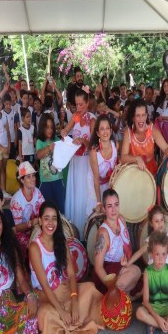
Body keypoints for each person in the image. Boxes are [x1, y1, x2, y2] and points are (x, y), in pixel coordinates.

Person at [29, 201, 103, 334]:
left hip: (64, 291)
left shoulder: (62, 242)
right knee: (45, 314)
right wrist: (61, 310)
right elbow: (44, 285)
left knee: (89, 288)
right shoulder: (35, 248)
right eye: (46, 218)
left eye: (54, 218)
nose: (50, 223)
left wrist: (75, 300)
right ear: (40, 221)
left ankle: (70, 319)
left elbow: (71, 275)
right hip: (45, 296)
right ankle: (68, 320)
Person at [92, 189, 142, 296]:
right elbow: (98, 267)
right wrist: (110, 286)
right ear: (104, 209)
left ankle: (123, 295)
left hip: (122, 267)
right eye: (109, 206)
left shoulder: (121, 220)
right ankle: (116, 294)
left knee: (138, 273)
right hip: (109, 273)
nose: (114, 210)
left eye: (116, 204)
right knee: (135, 274)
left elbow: (127, 246)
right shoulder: (103, 233)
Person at [60, 89, 95, 230]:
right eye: (76, 104)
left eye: (81, 104)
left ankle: (85, 228)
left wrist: (82, 140)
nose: (79, 107)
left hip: (85, 162)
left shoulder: (92, 119)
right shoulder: (75, 116)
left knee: (84, 194)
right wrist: (63, 132)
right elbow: (66, 130)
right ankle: (73, 228)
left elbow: (93, 144)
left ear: (87, 103)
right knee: (75, 193)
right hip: (75, 161)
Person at [120, 98, 168, 176]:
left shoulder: (152, 130)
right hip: (132, 172)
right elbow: (123, 158)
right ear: (133, 118)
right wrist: (137, 158)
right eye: (137, 115)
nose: (141, 119)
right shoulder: (128, 131)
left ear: (146, 116)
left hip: (150, 172)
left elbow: (166, 148)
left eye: (143, 115)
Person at [10, 161, 45, 254]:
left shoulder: (37, 192)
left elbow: (44, 210)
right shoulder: (16, 201)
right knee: (35, 248)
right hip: (21, 233)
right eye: (28, 177)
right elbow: (15, 228)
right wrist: (30, 224)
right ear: (22, 180)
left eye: (33, 175)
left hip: (35, 229)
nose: (33, 179)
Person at [87, 114, 117, 215]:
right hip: (96, 185)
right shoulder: (94, 151)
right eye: (102, 129)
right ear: (98, 133)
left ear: (111, 130)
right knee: (98, 213)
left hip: (109, 183)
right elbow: (96, 179)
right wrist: (99, 202)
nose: (105, 132)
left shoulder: (115, 145)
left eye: (107, 128)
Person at [35, 113, 65, 212]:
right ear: (42, 127)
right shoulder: (40, 141)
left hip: (58, 180)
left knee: (60, 209)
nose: (50, 130)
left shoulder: (57, 140)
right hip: (45, 182)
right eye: (47, 127)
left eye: (52, 127)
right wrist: (48, 148)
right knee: (47, 210)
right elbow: (39, 155)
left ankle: (62, 227)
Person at [154, 78, 168, 143]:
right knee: (161, 145)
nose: (166, 88)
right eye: (164, 86)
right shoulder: (161, 100)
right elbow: (158, 111)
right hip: (161, 126)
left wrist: (163, 118)